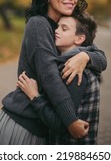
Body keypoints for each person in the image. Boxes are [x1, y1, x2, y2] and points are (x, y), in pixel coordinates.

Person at [0, 0, 107, 145]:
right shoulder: (39, 24)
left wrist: (84, 57)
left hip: (45, 128)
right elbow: (49, 76)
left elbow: (100, 56)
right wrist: (70, 121)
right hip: (23, 123)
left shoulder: (67, 24)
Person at [17, 12, 100, 144]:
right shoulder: (66, 62)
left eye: (64, 28)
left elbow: (60, 125)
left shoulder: (74, 72)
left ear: (79, 39)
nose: (56, 31)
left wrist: (34, 95)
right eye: (57, 26)